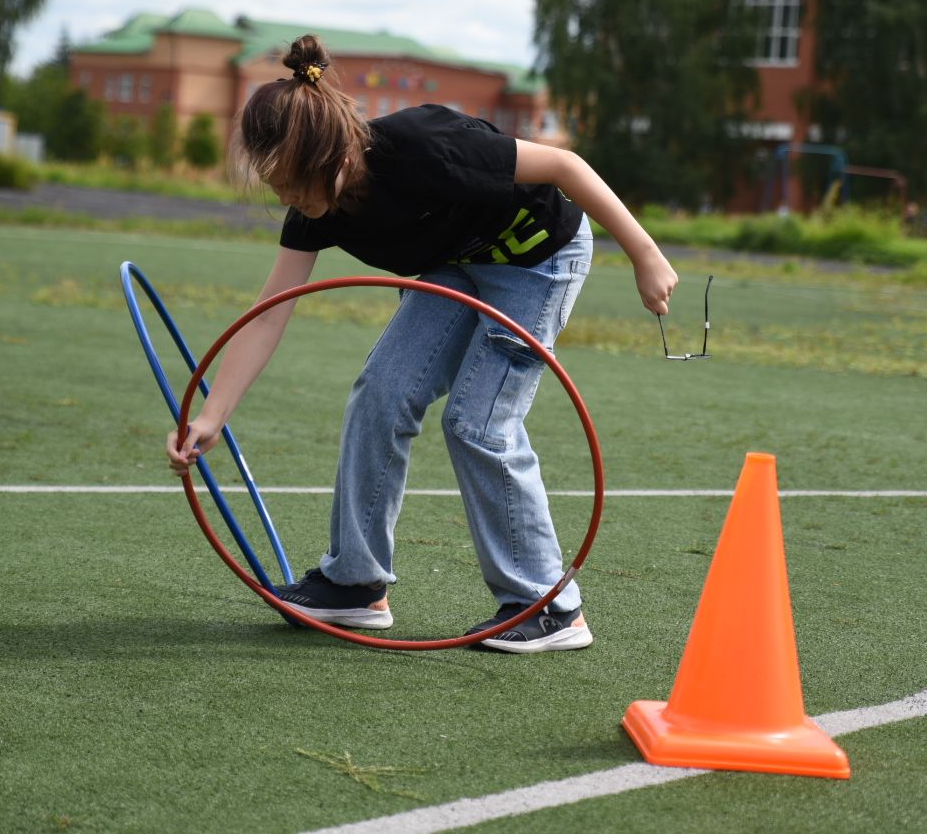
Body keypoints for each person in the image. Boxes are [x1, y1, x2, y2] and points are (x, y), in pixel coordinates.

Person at [166, 35, 678, 653]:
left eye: (289, 183)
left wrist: (645, 255)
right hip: (454, 267)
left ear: (327, 155)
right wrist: (212, 416)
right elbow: (271, 313)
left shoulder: (426, 146)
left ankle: (548, 605)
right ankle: (355, 583)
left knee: (478, 422)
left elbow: (566, 168)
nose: (284, 199)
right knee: (380, 393)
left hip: (537, 261)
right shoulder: (315, 207)